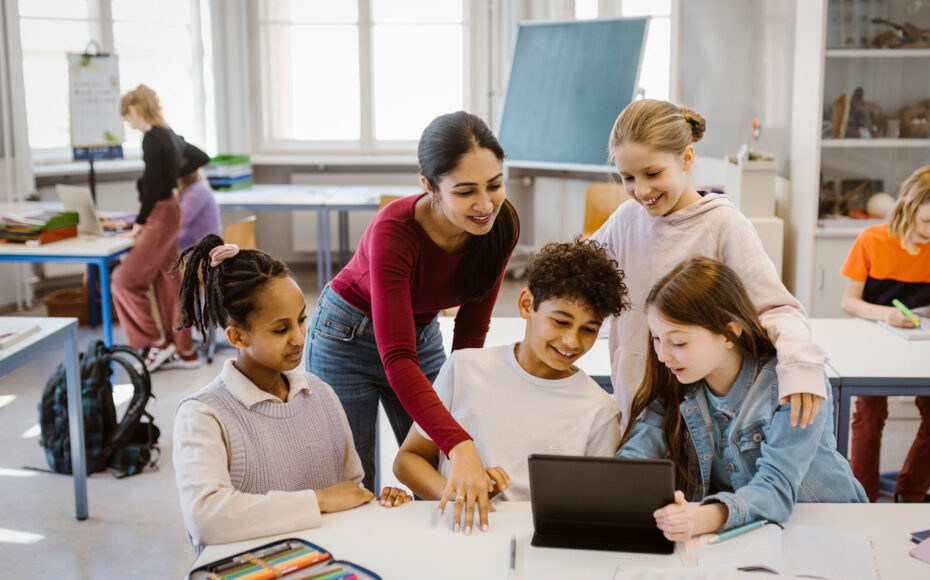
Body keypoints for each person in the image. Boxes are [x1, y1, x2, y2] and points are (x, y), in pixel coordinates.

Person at [304, 111, 519, 531]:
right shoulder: (394, 231)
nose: (485, 204)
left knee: (435, 467)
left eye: (494, 185)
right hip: (345, 337)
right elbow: (397, 356)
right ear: (429, 187)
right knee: (353, 482)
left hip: (419, 335)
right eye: (465, 191)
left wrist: (459, 429)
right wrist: (459, 441)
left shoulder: (501, 224)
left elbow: (471, 334)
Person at [592, 99, 826, 430]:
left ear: (687, 158)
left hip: (704, 419)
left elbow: (777, 310)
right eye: (627, 177)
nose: (640, 190)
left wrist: (801, 369)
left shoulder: (723, 224)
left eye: (653, 173)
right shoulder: (626, 220)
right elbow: (581, 274)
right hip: (636, 404)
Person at [171, 234, 411, 552]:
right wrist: (320, 500)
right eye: (281, 329)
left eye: (301, 320)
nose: (299, 338)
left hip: (329, 563)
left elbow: (350, 490)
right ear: (238, 337)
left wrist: (376, 503)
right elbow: (205, 519)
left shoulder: (321, 394)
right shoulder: (203, 415)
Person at [618, 257, 866, 541]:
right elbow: (637, 454)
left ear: (729, 333)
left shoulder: (791, 384)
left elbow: (776, 487)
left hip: (827, 527)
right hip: (748, 532)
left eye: (679, 342)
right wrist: (618, 485)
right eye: (656, 339)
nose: (663, 355)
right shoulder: (679, 383)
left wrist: (706, 517)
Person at [393, 238, 627, 523]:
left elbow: (596, 505)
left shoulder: (600, 411)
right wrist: (461, 496)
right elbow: (408, 460)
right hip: (461, 537)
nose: (571, 341)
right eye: (561, 322)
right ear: (527, 304)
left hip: (541, 544)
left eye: (589, 330)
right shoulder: (464, 368)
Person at [840, 163, 930, 503]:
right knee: (870, 415)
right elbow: (849, 302)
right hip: (876, 336)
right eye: (927, 220)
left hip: (926, 340)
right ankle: (863, 497)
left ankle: (910, 494)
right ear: (908, 207)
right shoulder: (872, 239)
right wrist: (886, 314)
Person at [113, 84, 196, 371]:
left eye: (128, 116)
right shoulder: (171, 135)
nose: (129, 123)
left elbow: (151, 187)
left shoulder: (151, 138)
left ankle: (154, 344)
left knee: (124, 282)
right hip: (171, 211)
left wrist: (139, 223)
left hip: (160, 215)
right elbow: (199, 158)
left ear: (135, 109)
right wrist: (174, 179)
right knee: (169, 281)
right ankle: (185, 351)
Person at [176, 142, 222, 251]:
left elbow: (176, 219)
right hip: (188, 249)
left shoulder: (197, 191)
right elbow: (159, 211)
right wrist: (129, 219)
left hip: (200, 255)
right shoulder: (187, 189)